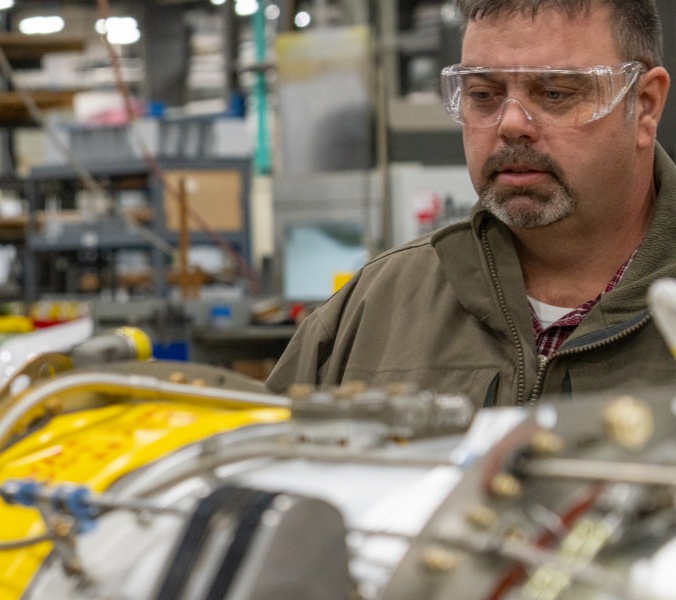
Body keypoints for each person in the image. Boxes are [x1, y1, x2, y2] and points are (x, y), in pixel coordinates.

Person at [268, 0, 675, 406]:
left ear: (644, 105)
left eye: (555, 93)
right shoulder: (374, 310)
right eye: (483, 94)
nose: (511, 123)